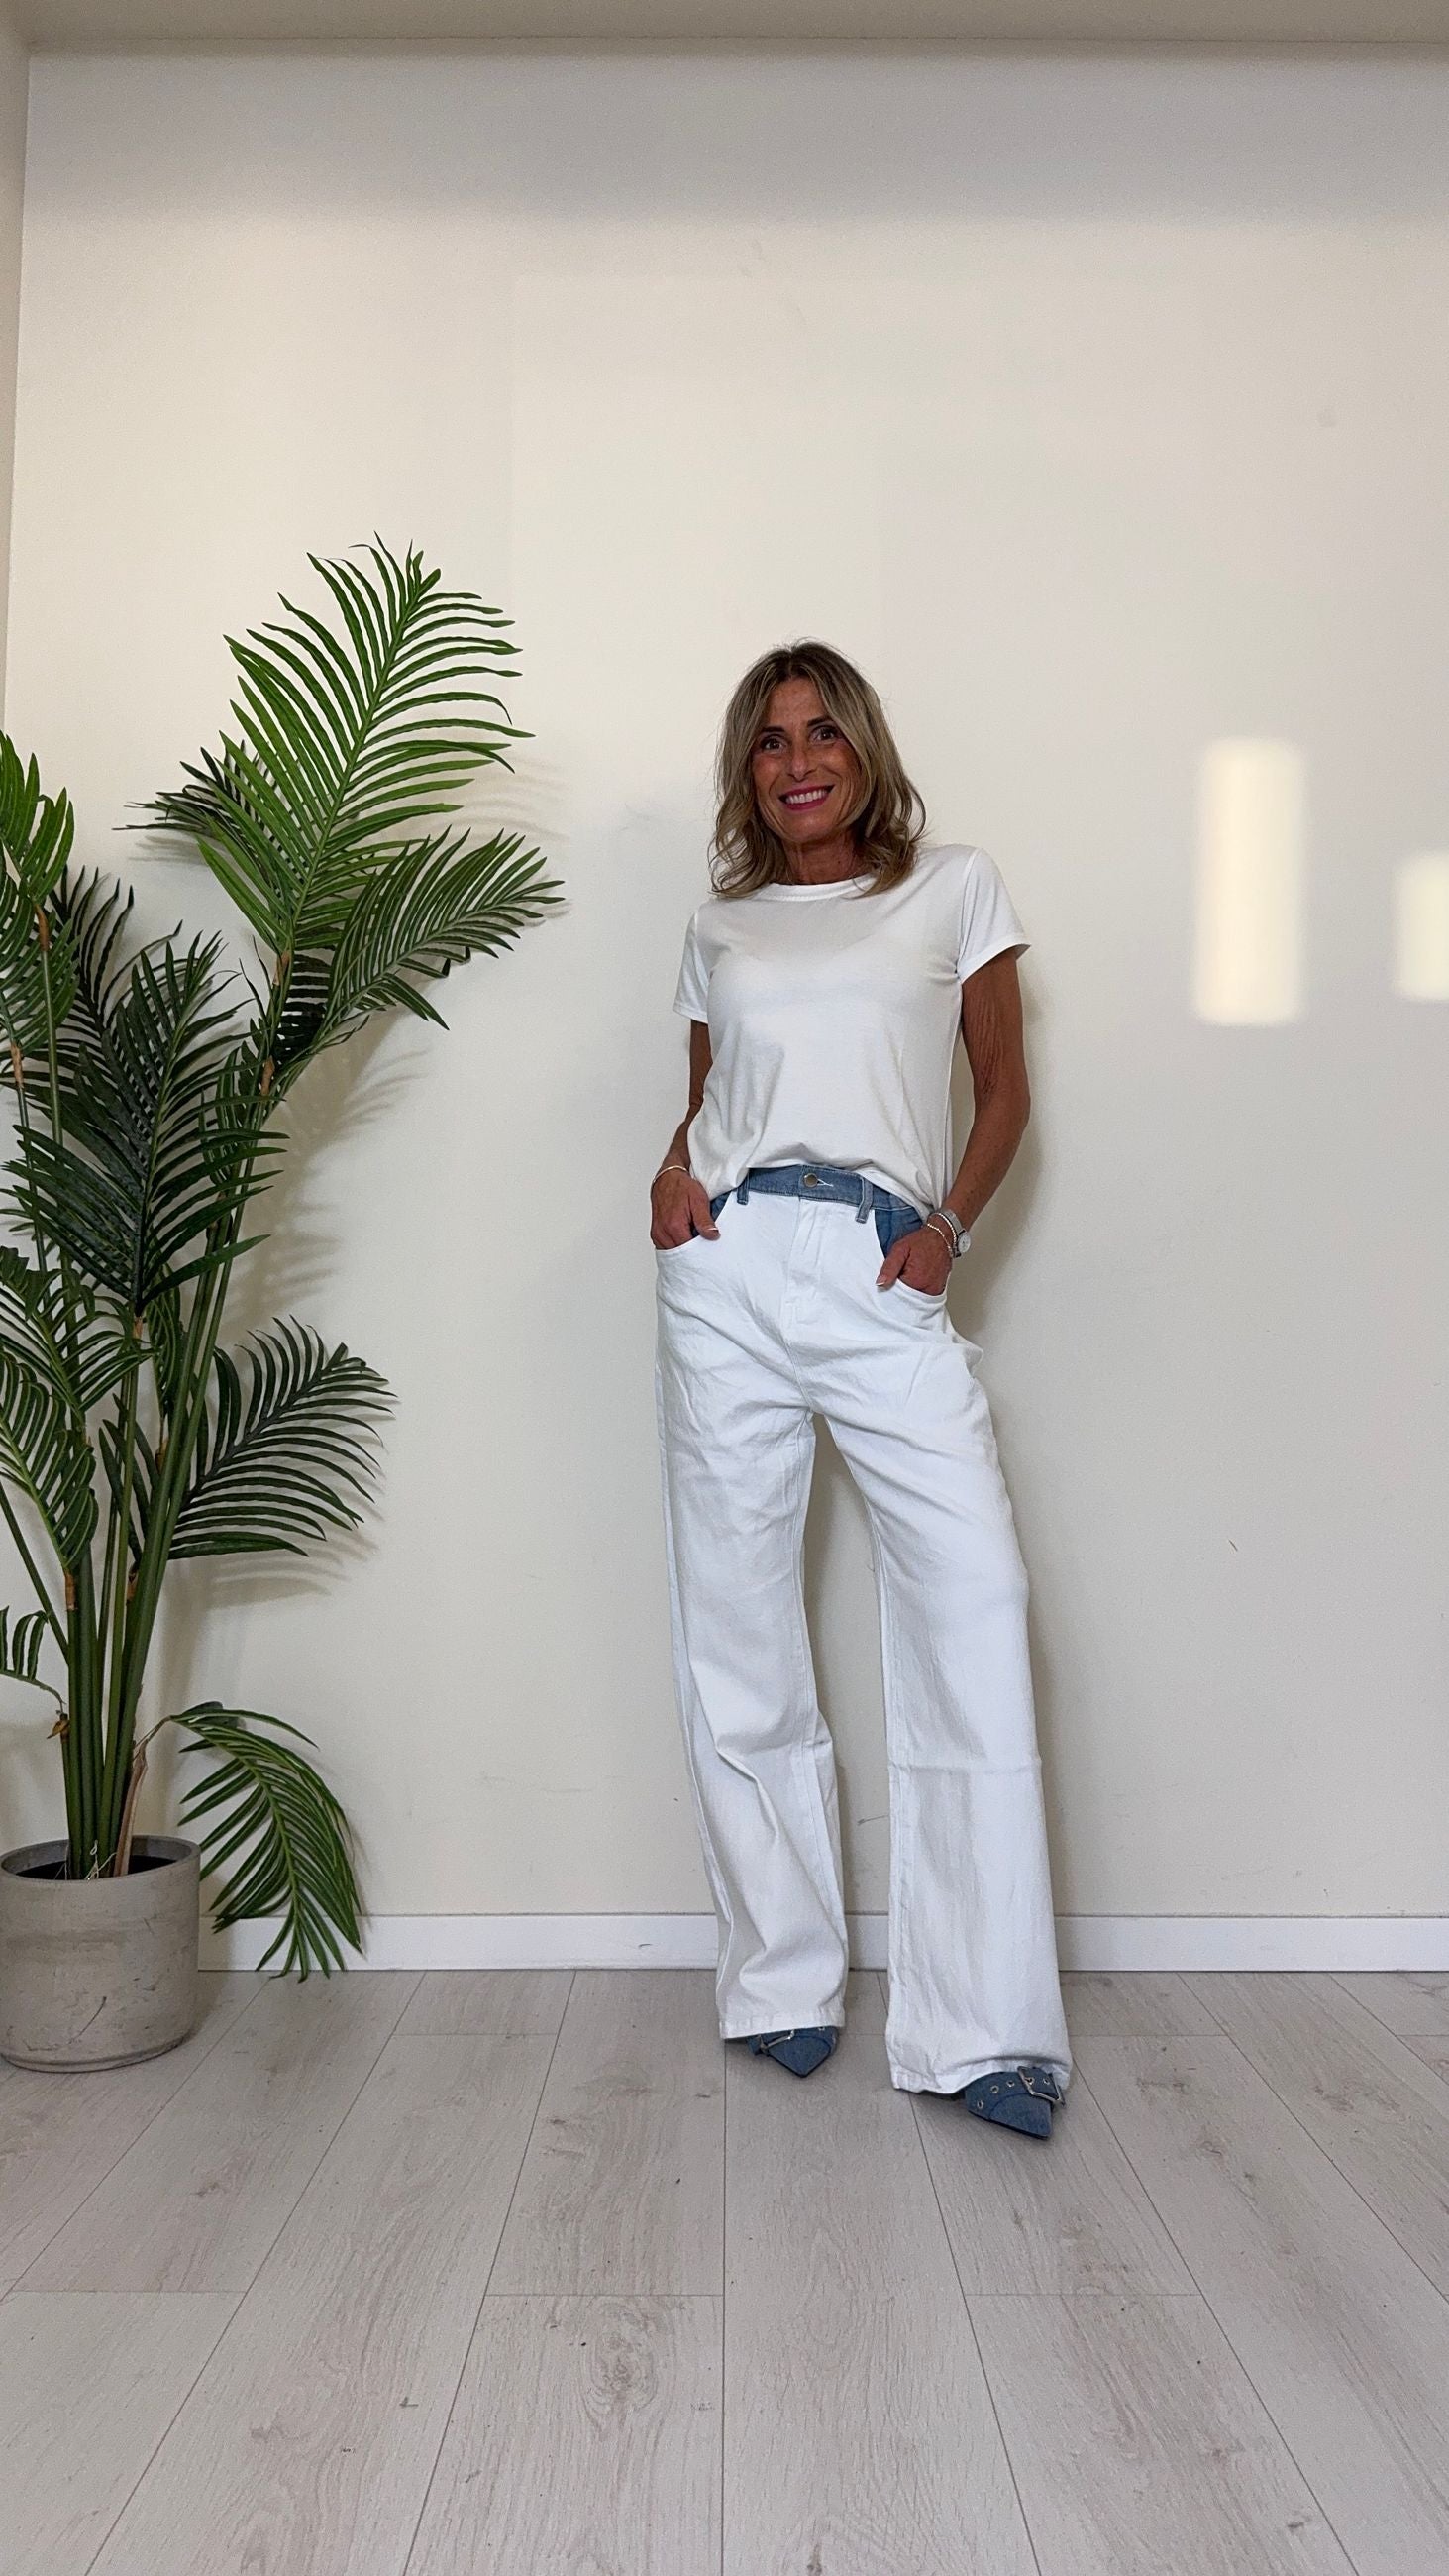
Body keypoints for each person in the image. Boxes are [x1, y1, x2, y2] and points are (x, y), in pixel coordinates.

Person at [650, 640, 1072, 2143]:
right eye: (770, 741)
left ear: (864, 749)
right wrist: (672, 1175)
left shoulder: (952, 890)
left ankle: (984, 2028)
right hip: (728, 1265)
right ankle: (782, 1981)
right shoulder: (721, 923)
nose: (798, 760)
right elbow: (712, 1101)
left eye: (822, 732)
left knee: (973, 1596)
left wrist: (946, 1230)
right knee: (737, 1618)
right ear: (746, 770)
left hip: (883, 1265)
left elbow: (1003, 1089)